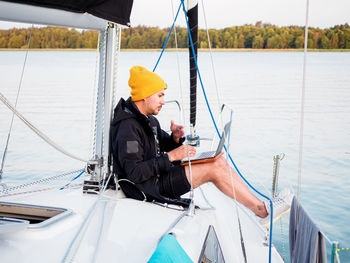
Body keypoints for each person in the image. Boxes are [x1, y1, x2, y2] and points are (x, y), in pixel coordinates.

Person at [110, 65, 292, 227]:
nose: (164, 101)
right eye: (160, 96)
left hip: (158, 176)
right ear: (145, 96)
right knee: (214, 169)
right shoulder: (128, 129)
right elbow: (134, 173)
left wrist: (174, 138)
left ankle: (261, 206)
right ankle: (262, 211)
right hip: (148, 187)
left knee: (218, 160)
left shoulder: (149, 120)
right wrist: (172, 156)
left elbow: (161, 143)